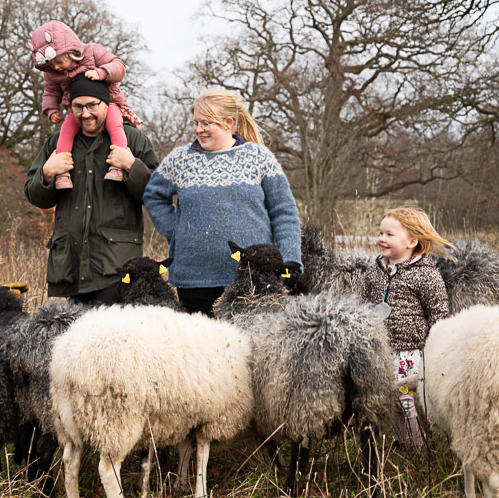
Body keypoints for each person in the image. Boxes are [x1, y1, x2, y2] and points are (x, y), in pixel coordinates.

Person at [143, 88, 302, 316]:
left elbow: (284, 213)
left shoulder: (259, 158)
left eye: (206, 123)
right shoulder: (180, 160)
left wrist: (291, 259)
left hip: (254, 280)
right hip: (195, 282)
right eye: (195, 122)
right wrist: (176, 230)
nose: (199, 129)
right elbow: (154, 195)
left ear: (228, 123)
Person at [24, 75, 159, 305]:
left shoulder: (133, 140)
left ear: (107, 104)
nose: (85, 113)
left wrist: (131, 165)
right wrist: (47, 173)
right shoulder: (56, 144)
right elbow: (35, 196)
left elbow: (156, 194)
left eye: (92, 105)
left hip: (116, 267)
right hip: (70, 266)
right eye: (78, 106)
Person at [361, 206, 452, 447]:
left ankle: (420, 447)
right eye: (381, 233)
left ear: (412, 240)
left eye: (390, 235)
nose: (382, 239)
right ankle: (403, 442)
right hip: (383, 349)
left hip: (412, 351)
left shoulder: (426, 275)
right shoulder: (374, 271)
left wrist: (436, 350)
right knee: (389, 399)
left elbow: (438, 313)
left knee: (406, 398)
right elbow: (365, 305)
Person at [30, 20, 142, 189]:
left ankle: (117, 165)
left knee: (115, 125)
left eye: (59, 62)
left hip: (109, 103)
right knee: (66, 130)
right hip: (75, 110)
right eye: (51, 65)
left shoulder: (93, 52)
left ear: (69, 52)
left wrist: (102, 72)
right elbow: (51, 91)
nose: (56, 68)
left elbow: (119, 67)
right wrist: (50, 108)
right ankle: (62, 172)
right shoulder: (53, 73)